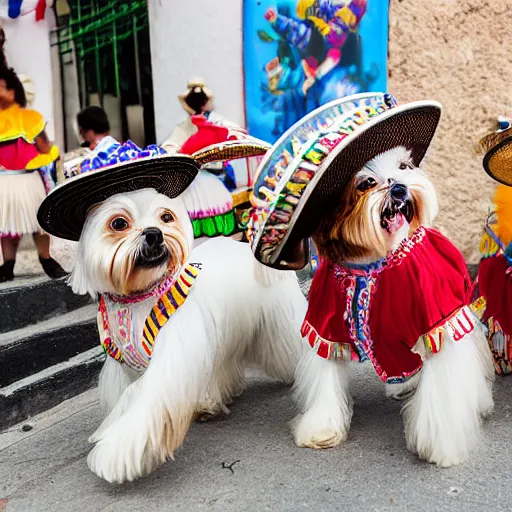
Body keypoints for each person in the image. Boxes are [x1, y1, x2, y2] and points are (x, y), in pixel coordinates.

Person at [0, 29, 65, 282]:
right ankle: (8, 265)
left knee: (38, 222)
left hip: (28, 176)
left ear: (15, 92)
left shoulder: (29, 118)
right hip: (5, 178)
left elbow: (44, 146)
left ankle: (46, 258)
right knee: (7, 227)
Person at [162, 77, 245, 239]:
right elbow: (169, 147)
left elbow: (169, 147)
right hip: (202, 177)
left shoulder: (215, 123)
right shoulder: (190, 125)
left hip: (213, 176)